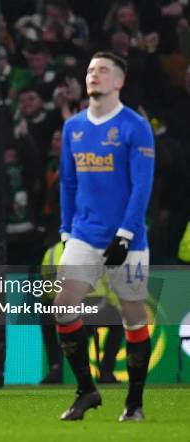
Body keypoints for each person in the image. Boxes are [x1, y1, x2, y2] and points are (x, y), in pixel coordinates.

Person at [56, 51, 155, 421]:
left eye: (103, 71)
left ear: (119, 81)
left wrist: (126, 234)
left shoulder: (135, 126)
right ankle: (86, 390)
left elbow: (142, 185)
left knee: (132, 314)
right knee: (63, 305)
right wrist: (67, 230)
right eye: (90, 70)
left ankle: (134, 402)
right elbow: (67, 181)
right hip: (83, 233)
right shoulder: (73, 127)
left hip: (127, 238)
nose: (94, 75)